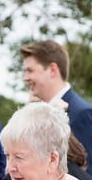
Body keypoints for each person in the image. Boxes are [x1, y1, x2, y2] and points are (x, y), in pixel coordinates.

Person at [21, 39, 92, 168]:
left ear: (52, 70)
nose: (25, 78)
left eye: (30, 71)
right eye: (24, 71)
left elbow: (87, 173)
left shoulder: (81, 113)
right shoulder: (36, 112)